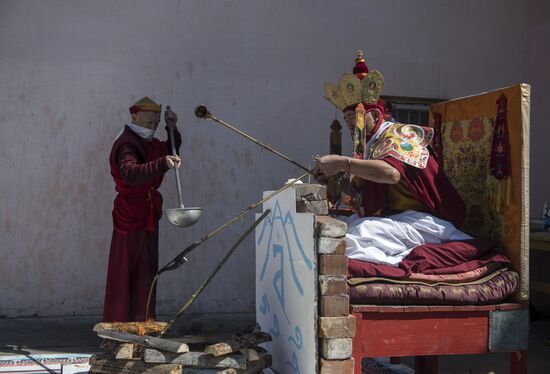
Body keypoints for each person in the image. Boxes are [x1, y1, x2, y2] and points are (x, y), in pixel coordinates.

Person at [314, 51, 471, 267]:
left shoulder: (400, 134)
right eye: (347, 119)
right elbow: (357, 198)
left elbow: (391, 173)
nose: (351, 125)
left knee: (361, 232)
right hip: (395, 219)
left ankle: (396, 265)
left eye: (356, 118)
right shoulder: (368, 147)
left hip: (422, 221)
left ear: (376, 116)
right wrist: (331, 179)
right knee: (340, 227)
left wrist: (342, 163)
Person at [103, 96, 182, 322]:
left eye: (155, 124)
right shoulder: (127, 143)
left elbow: (169, 149)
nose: (152, 127)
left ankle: (142, 323)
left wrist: (171, 127)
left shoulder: (148, 142)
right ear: (134, 117)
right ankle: (117, 326)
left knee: (146, 273)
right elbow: (130, 172)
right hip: (129, 214)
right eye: (149, 123)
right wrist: (162, 163)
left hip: (148, 213)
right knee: (124, 273)